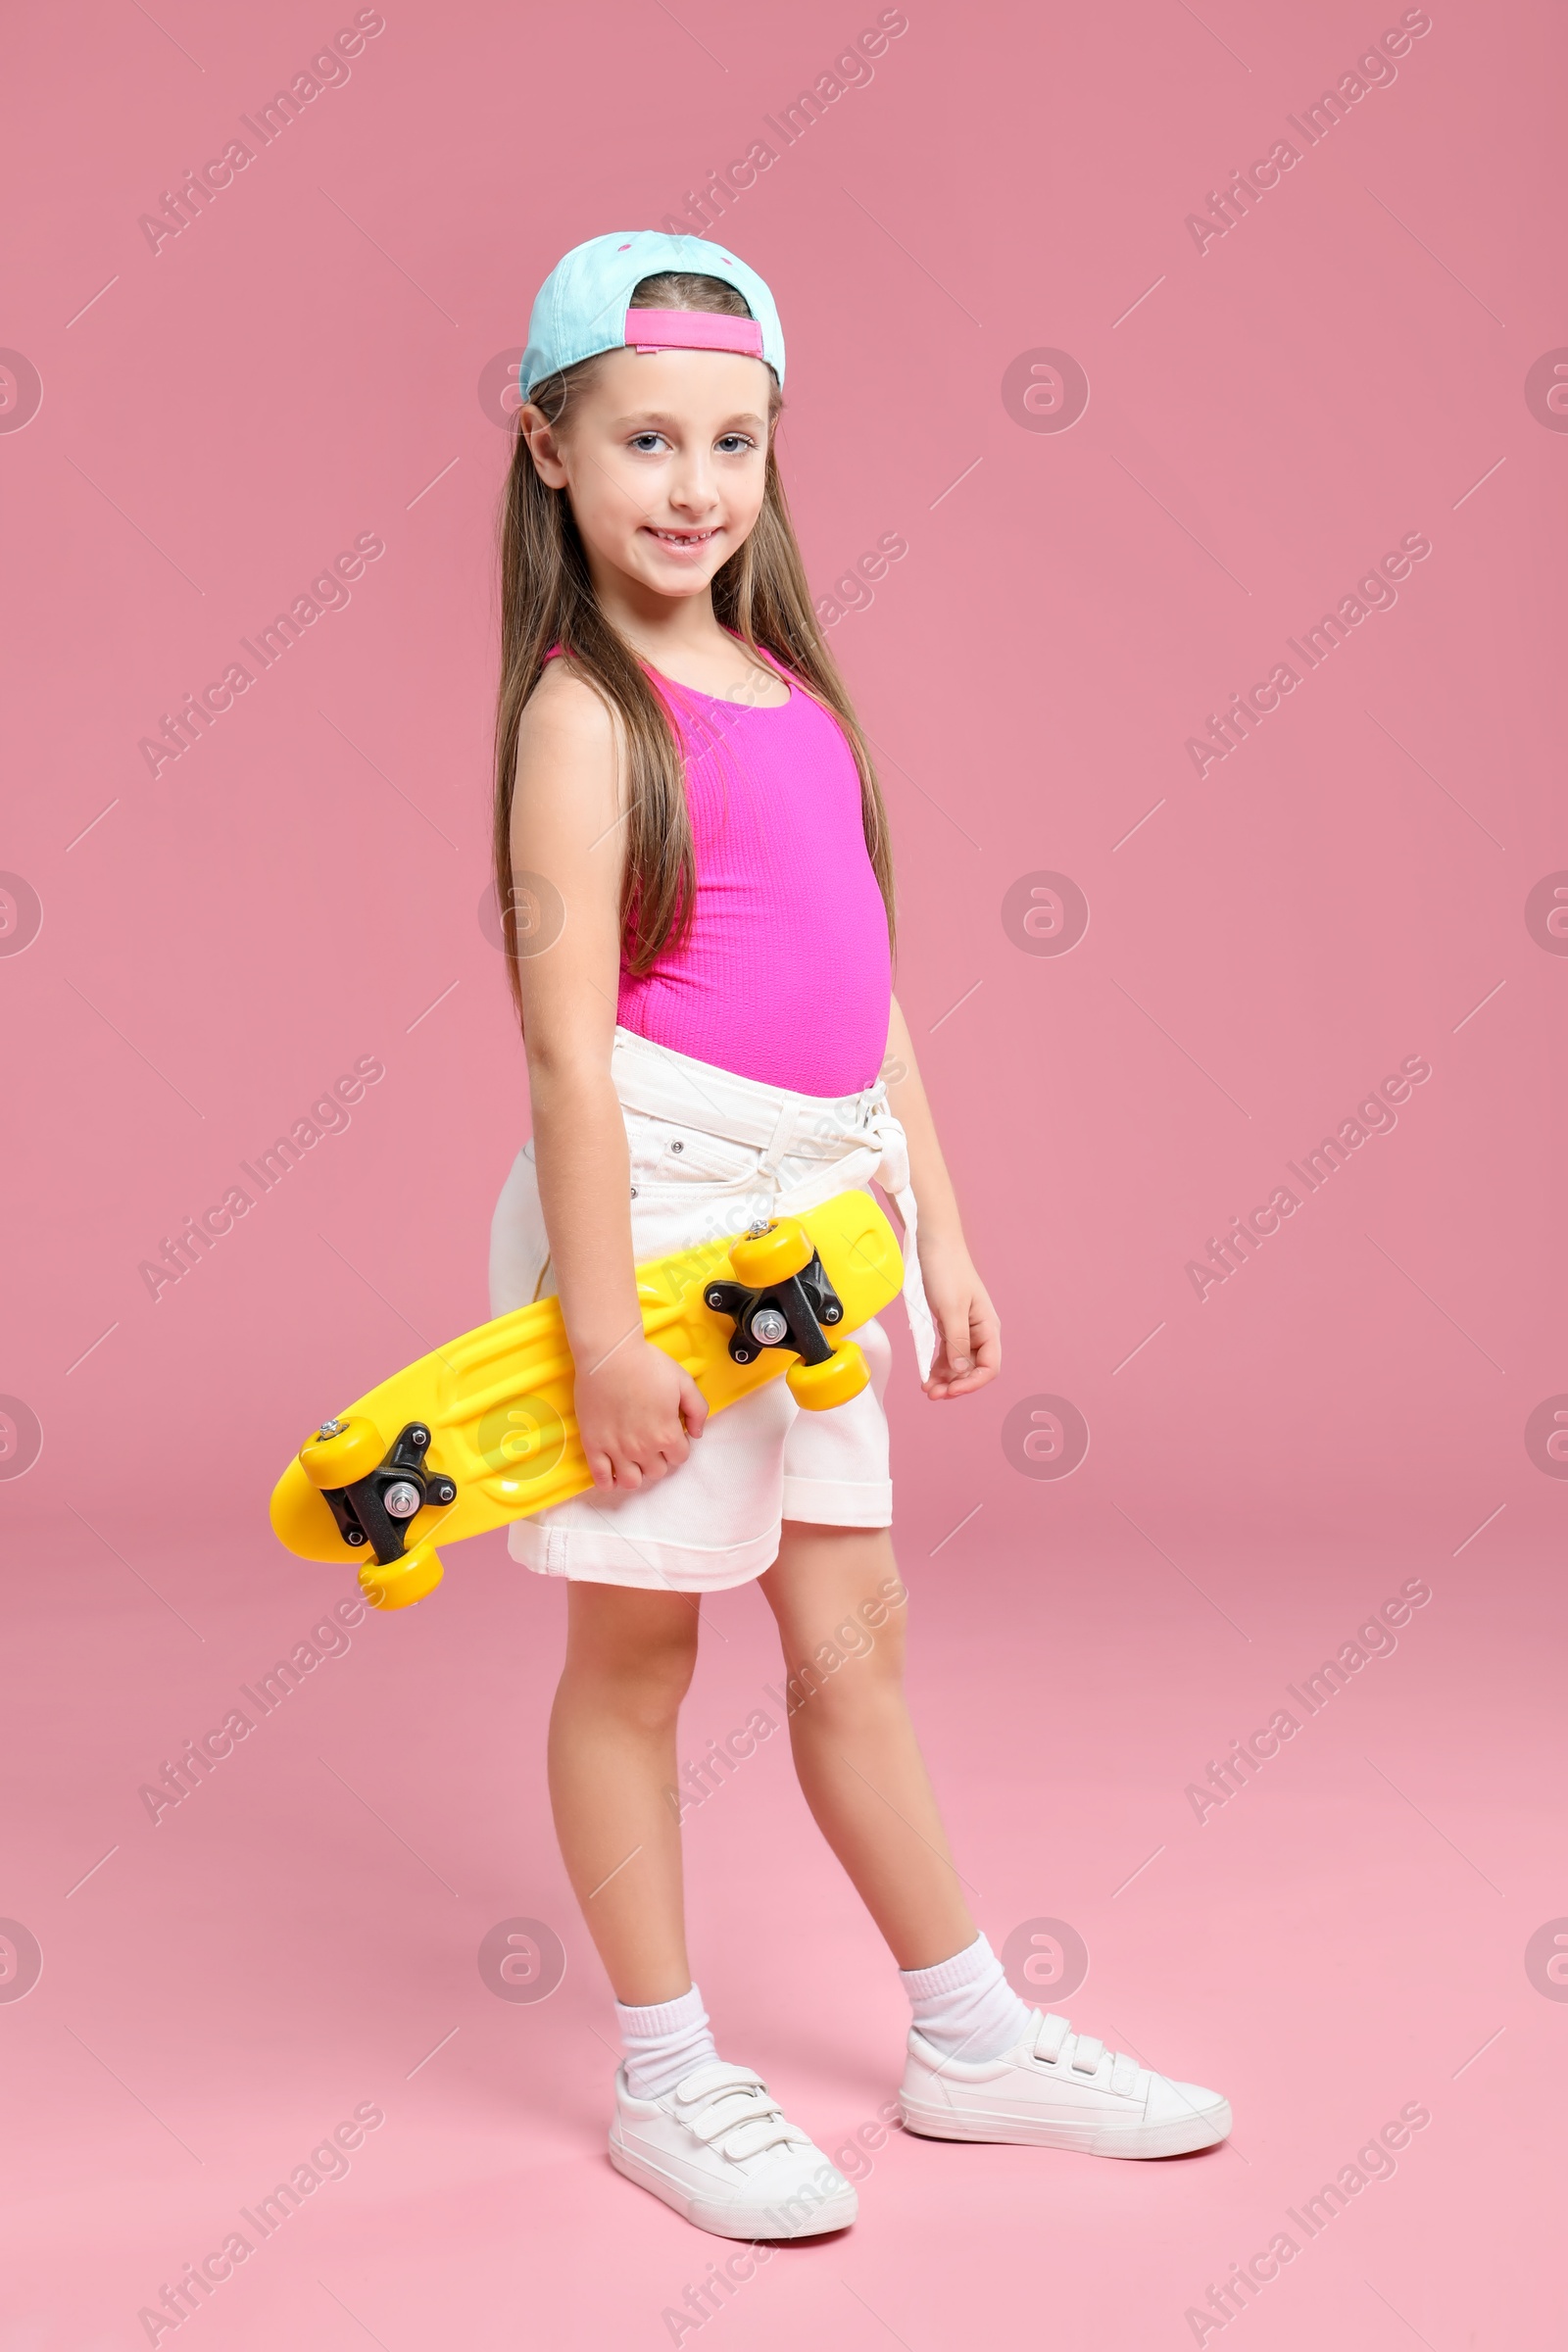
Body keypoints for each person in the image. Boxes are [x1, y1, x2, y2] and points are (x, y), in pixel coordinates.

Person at [487, 231, 1230, 2241]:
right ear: (551, 450)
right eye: (645, 437)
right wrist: (600, 1335)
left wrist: (946, 1230)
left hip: (820, 1231)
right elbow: (564, 1062)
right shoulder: (581, 718)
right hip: (653, 1231)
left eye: (732, 439)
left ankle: (967, 2036)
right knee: (635, 1655)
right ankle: (664, 2074)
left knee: (853, 1647)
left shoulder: (789, 690)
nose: (692, 484)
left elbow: (866, 993)